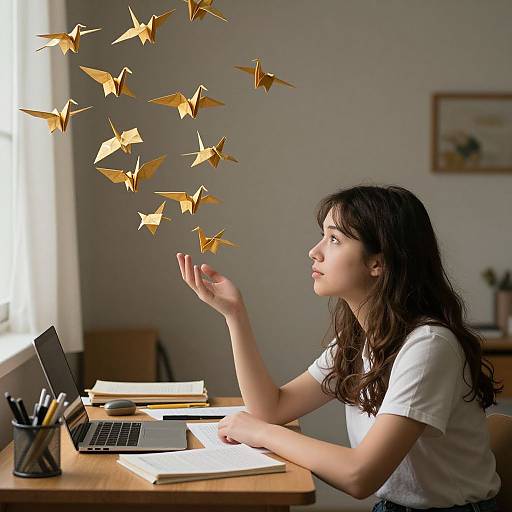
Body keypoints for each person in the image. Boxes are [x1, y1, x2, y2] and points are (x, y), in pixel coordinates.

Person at [176, 185, 502, 512]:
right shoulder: (358, 340)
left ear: (378, 262)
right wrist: (234, 314)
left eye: (334, 239)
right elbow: (271, 409)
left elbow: (360, 476)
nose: (314, 251)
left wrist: (261, 433)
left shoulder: (428, 346)